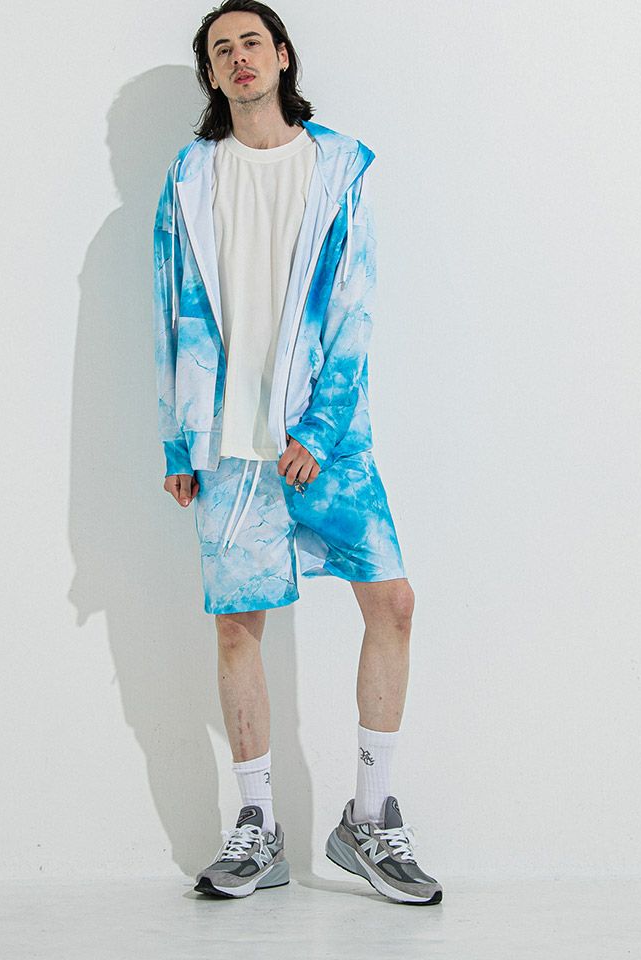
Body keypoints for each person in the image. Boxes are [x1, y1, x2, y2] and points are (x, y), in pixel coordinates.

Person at [152, 0, 442, 905]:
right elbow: (168, 308)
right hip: (226, 444)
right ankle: (257, 828)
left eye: (252, 42)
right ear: (211, 74)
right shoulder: (190, 177)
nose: (238, 58)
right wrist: (177, 436)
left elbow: (355, 305)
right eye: (220, 50)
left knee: (392, 602)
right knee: (238, 625)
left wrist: (319, 429)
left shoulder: (338, 167)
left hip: (326, 439)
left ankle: (370, 818)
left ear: (282, 56)